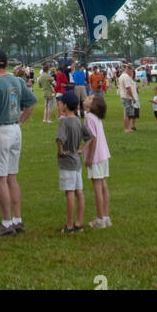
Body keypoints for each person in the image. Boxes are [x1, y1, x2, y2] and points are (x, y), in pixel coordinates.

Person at [0, 48, 36, 237]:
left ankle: (6, 223)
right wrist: (22, 120)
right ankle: (17, 219)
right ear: (6, 63)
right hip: (15, 129)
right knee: (12, 176)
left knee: (0, 178)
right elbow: (31, 101)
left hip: (0, 130)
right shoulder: (17, 80)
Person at [55, 92, 91, 233]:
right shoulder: (77, 120)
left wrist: (60, 150)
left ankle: (69, 226)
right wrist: (81, 149)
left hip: (67, 162)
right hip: (77, 160)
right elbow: (90, 137)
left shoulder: (64, 121)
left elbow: (59, 139)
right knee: (79, 192)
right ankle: (79, 223)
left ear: (64, 105)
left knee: (69, 193)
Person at [83, 93, 111, 228]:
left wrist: (88, 157)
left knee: (97, 187)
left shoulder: (89, 117)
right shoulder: (96, 118)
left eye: (89, 98)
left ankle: (100, 219)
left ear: (93, 105)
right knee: (103, 185)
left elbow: (92, 138)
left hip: (96, 156)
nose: (86, 98)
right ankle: (105, 216)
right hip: (104, 154)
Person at [117, 63, 138, 133]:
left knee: (128, 113)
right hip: (127, 97)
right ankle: (126, 128)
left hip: (125, 97)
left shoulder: (123, 76)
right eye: (132, 71)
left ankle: (128, 127)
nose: (132, 72)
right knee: (126, 113)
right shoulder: (126, 77)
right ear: (128, 70)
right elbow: (128, 88)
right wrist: (133, 97)